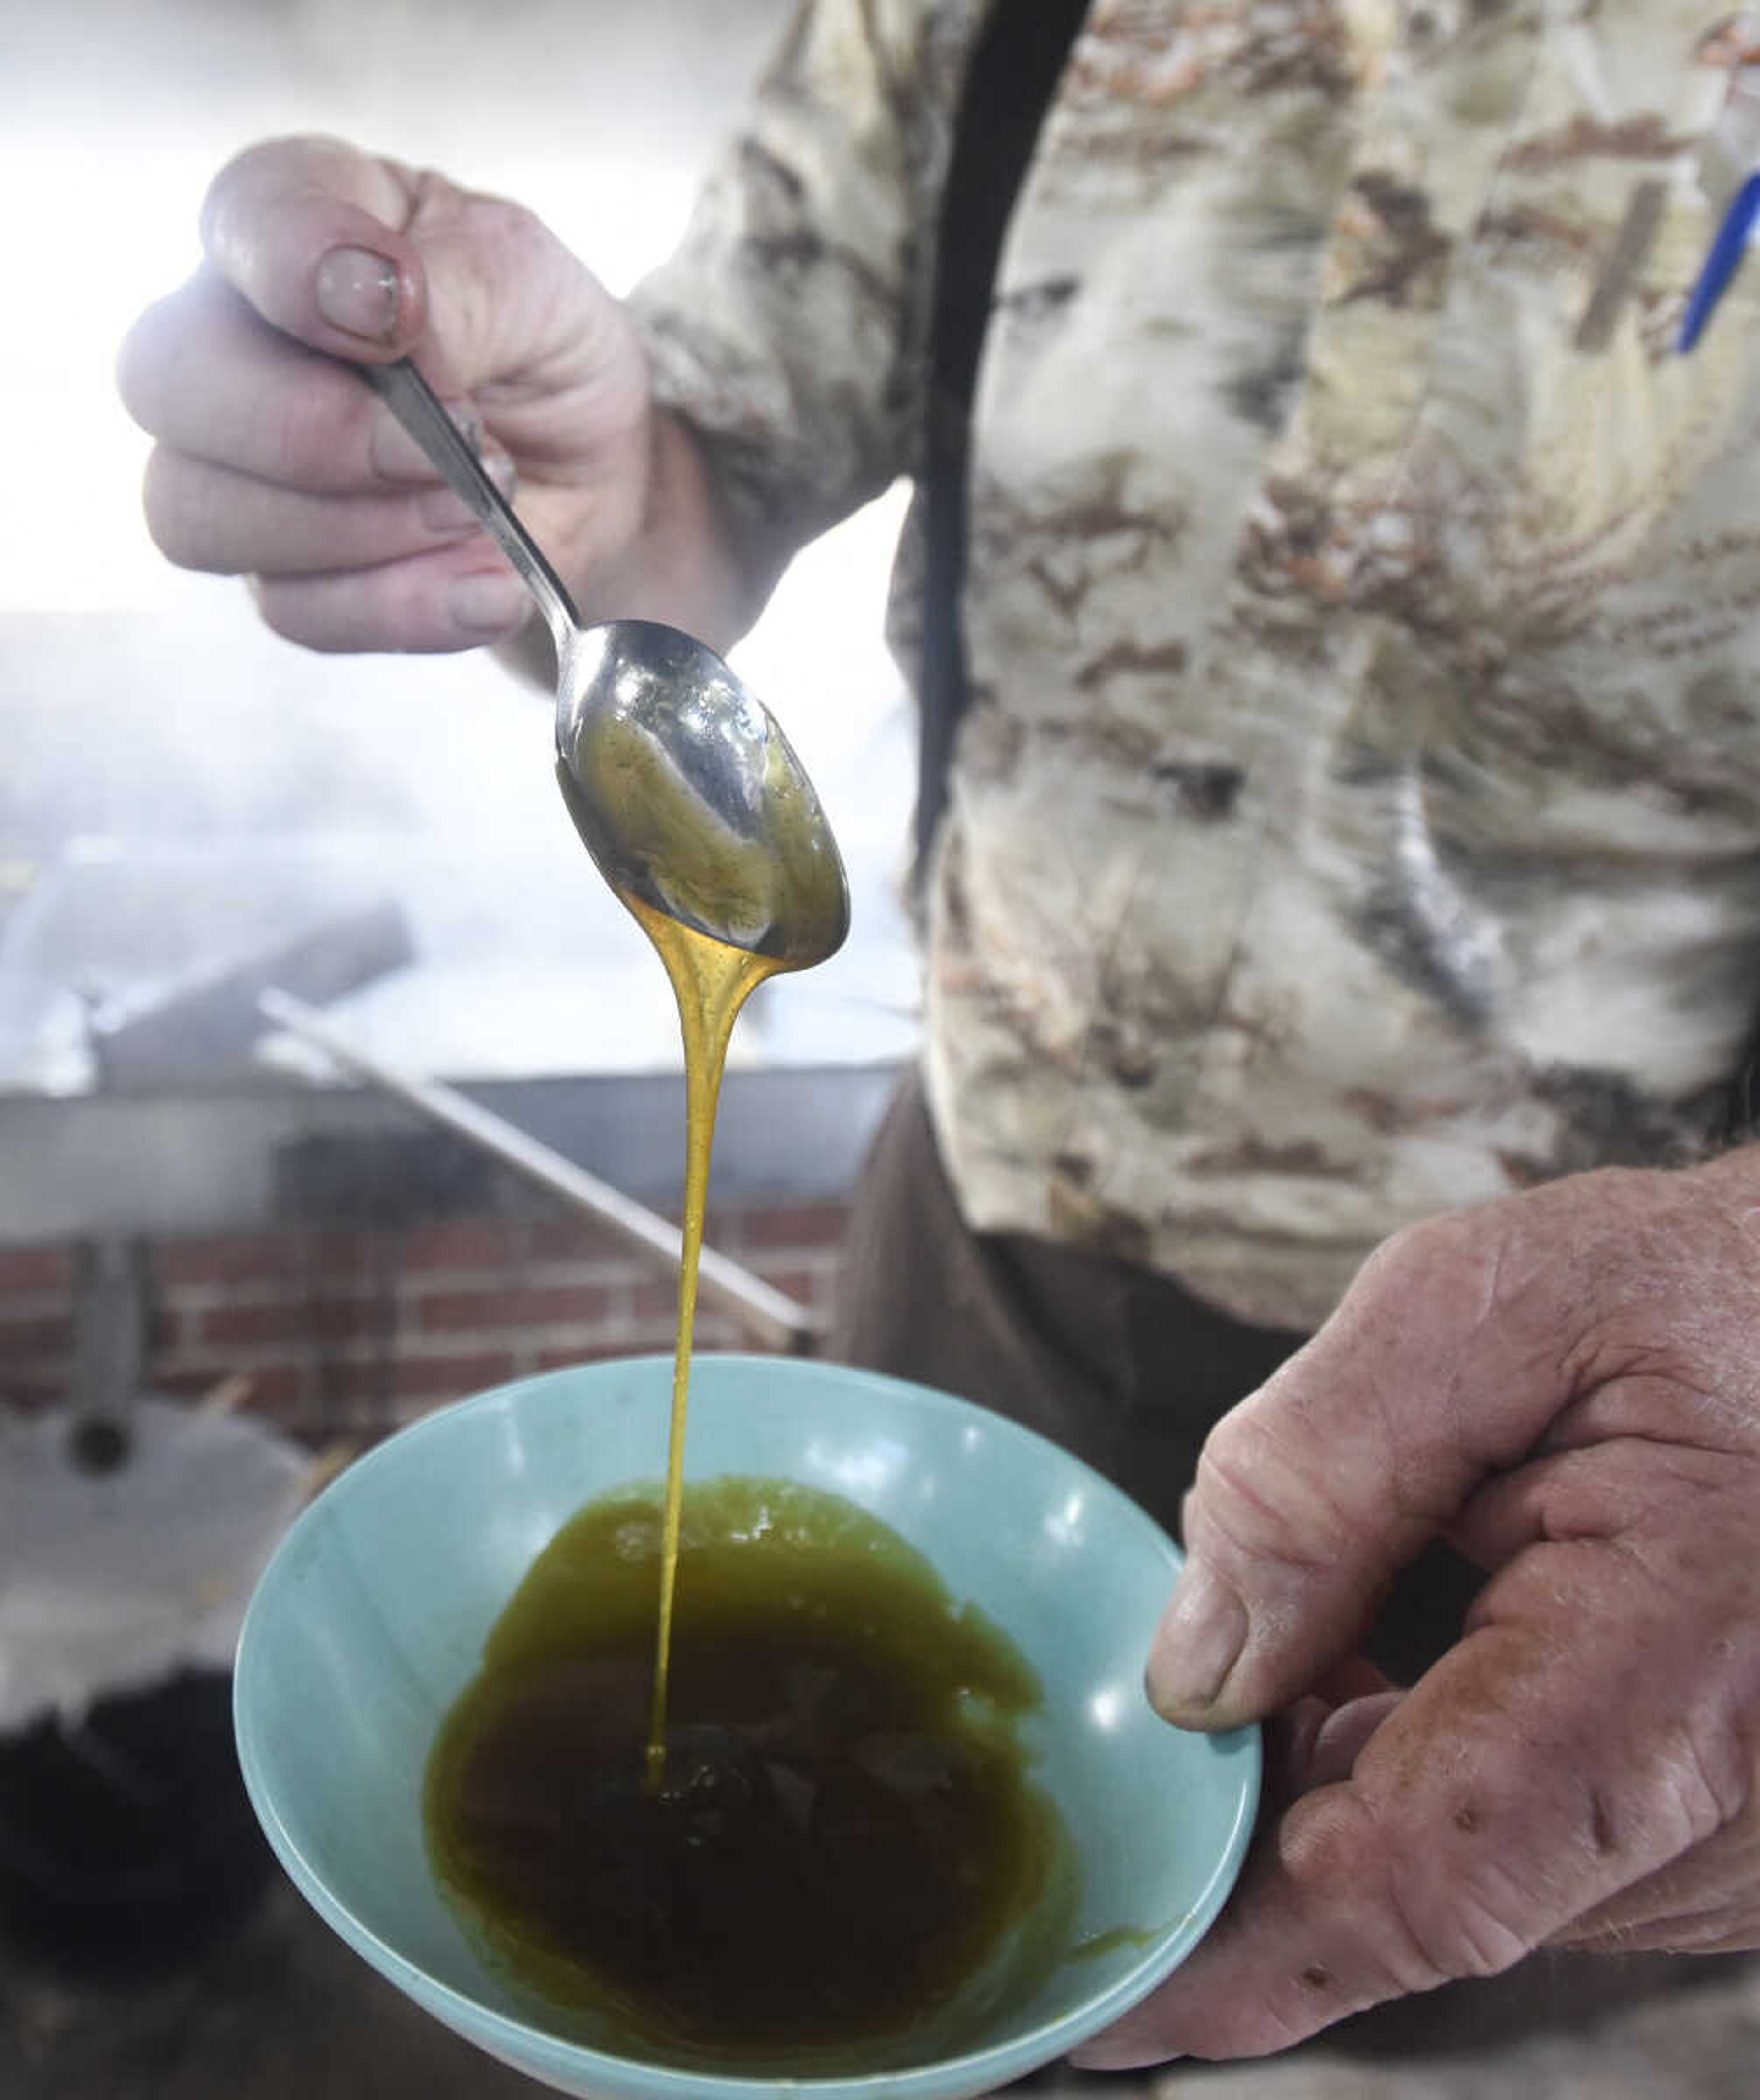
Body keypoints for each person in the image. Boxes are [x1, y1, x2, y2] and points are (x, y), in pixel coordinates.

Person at [118, 0, 1760, 2069]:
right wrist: (569, 483)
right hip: (982, 1302)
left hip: (1632, 1474)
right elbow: (681, 485)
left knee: (1476, 1994)